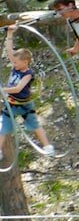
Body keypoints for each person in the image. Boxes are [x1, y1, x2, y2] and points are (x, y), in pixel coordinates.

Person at [1, 26, 55, 159]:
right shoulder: (15, 67)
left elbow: (18, 89)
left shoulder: (28, 74)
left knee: (34, 125)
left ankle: (47, 146)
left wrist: (2, 90)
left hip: (24, 104)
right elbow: (9, 50)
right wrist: (10, 33)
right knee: (2, 127)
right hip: (11, 104)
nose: (13, 64)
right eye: (13, 61)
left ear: (25, 62)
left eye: (16, 62)